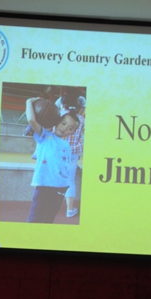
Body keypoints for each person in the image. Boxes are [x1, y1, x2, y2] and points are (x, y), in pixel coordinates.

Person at [24, 97, 80, 223]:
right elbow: (31, 120)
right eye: (63, 123)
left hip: (60, 187)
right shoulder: (44, 136)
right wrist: (29, 102)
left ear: (72, 132)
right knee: (35, 217)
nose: (65, 128)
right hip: (44, 185)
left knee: (49, 218)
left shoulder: (67, 145)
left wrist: (66, 184)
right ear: (57, 121)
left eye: (70, 128)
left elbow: (66, 165)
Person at [55, 87, 85, 218]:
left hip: (56, 154)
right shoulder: (81, 120)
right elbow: (82, 142)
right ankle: (70, 210)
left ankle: (50, 206)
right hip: (72, 155)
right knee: (70, 181)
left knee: (53, 178)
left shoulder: (59, 117)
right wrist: (72, 149)